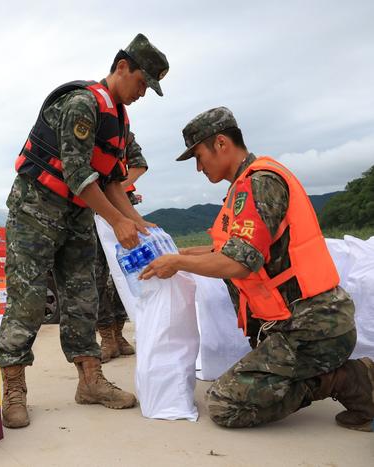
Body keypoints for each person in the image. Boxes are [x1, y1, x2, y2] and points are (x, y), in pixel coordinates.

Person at [141, 107, 374, 431]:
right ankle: (335, 376)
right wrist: (177, 252)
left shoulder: (260, 183)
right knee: (238, 389)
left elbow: (238, 262)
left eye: (198, 156)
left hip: (314, 327)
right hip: (292, 325)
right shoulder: (244, 188)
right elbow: (226, 249)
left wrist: (178, 262)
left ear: (221, 144)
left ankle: (345, 378)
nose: (198, 167)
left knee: (224, 405)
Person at [0, 33, 169, 429]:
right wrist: (117, 220)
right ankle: (15, 388)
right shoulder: (82, 104)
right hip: (35, 210)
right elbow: (77, 175)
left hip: (75, 216)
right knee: (28, 300)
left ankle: (90, 381)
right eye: (142, 82)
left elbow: (111, 181)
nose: (143, 92)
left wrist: (136, 222)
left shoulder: (119, 120)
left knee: (83, 296)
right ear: (122, 67)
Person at [95, 145, 147, 362]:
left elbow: (139, 164)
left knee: (125, 272)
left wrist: (115, 188)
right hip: (90, 211)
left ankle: (119, 333)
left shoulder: (121, 132)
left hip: (122, 213)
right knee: (96, 276)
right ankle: (106, 336)